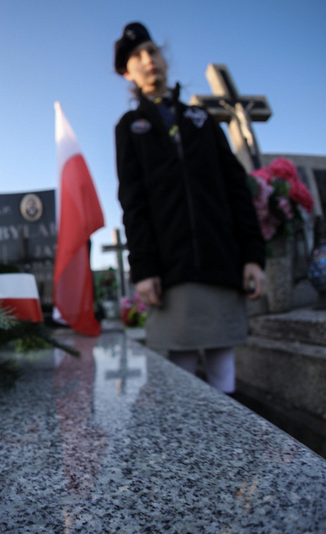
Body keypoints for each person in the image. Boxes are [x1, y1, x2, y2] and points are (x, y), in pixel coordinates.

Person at [113, 22, 266, 394]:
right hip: (171, 269)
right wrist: (145, 268)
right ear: (126, 72)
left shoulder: (201, 121)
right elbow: (133, 200)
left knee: (221, 362)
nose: (148, 60)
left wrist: (252, 255)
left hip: (219, 259)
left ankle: (227, 443)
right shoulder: (131, 126)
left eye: (153, 51)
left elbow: (236, 188)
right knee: (178, 369)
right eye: (137, 56)